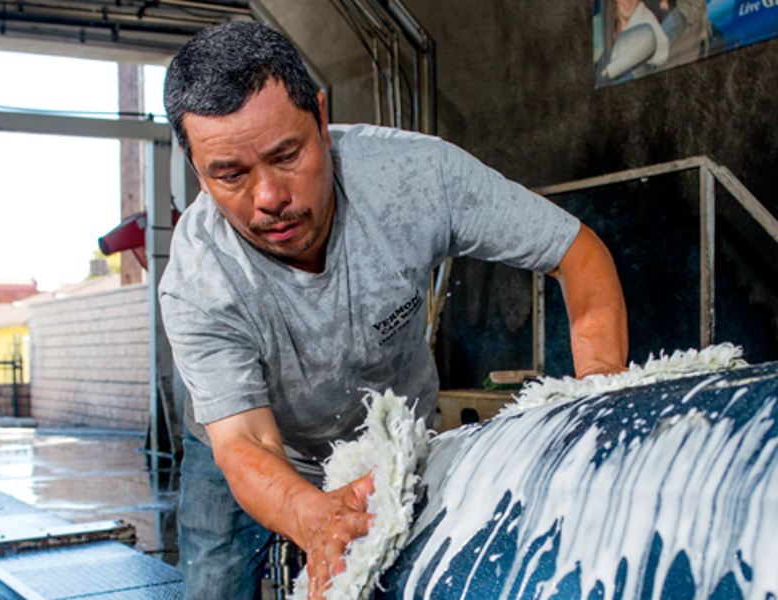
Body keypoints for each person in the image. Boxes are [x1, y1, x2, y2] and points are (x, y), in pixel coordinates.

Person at [159, 21, 628, 600]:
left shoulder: (415, 178)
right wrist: (314, 518)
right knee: (214, 589)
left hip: (394, 429)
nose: (268, 199)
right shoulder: (197, 282)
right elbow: (247, 444)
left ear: (322, 120)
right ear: (196, 171)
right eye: (230, 174)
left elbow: (578, 254)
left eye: (287, 155)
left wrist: (600, 395)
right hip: (245, 443)